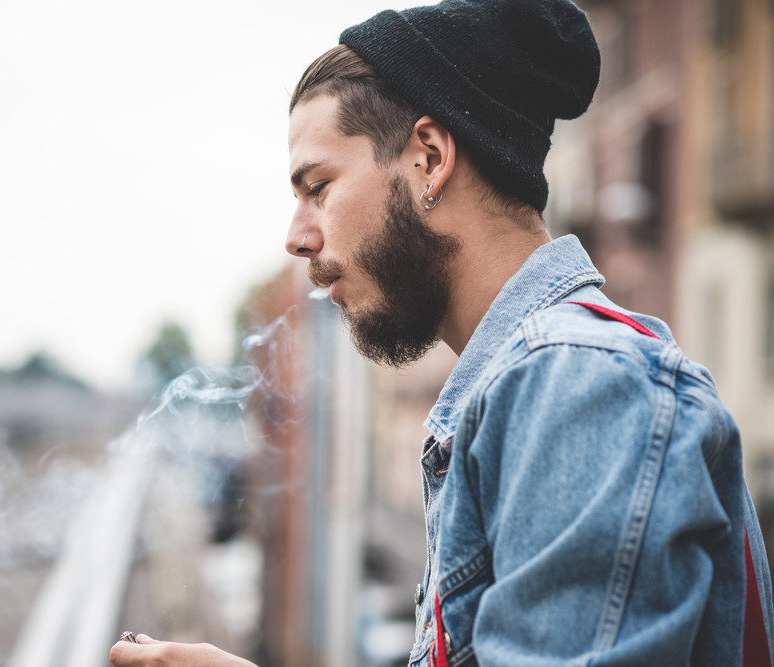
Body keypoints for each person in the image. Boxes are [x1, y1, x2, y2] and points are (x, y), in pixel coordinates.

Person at [110, 0, 774, 665]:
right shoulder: (533, 385)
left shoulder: (574, 384)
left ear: (429, 158)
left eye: (318, 186)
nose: (296, 236)